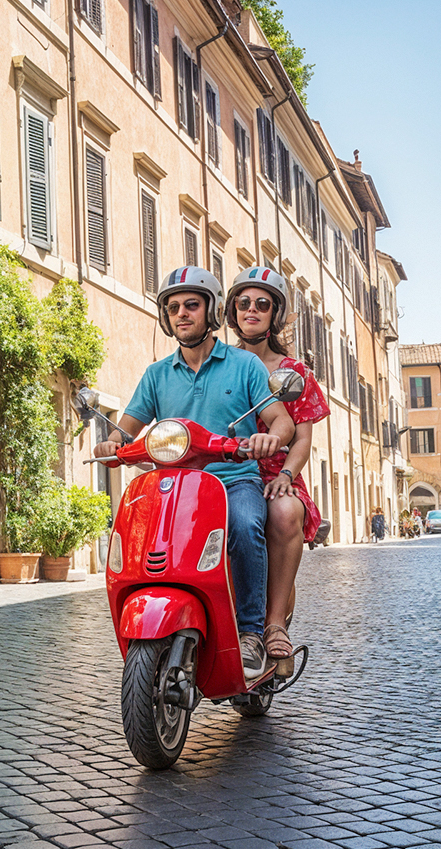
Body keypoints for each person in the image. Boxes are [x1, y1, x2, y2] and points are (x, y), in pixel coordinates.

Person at [93, 267, 293, 678]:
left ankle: (251, 632)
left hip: (233, 480)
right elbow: (125, 428)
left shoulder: (245, 366)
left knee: (244, 524)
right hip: (175, 486)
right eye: (173, 308)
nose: (182, 313)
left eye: (191, 305)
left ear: (212, 311)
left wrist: (268, 438)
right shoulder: (156, 374)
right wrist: (111, 444)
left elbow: (282, 421)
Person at [223, 267, 329, 677]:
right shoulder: (219, 362)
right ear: (232, 310)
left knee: (285, 512)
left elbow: (301, 438)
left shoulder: (294, 371)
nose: (252, 310)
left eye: (262, 304)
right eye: (244, 302)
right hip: (225, 469)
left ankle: (274, 624)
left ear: (275, 313)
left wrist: (286, 473)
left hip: (275, 471)